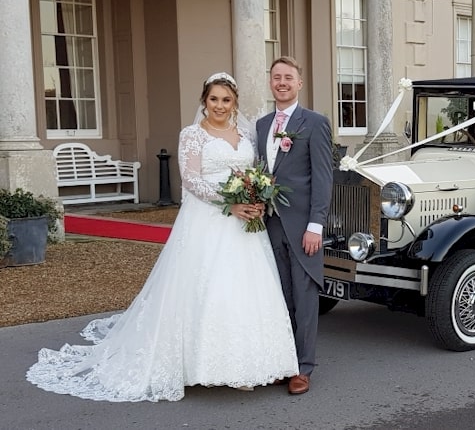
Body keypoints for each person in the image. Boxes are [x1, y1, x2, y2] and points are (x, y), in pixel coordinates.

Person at [26, 72, 298, 402]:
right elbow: (192, 181)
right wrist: (233, 203)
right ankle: (205, 365)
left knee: (246, 288)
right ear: (204, 101)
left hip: (245, 226)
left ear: (235, 102)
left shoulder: (246, 134)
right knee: (207, 287)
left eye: (226, 100)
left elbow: (255, 172)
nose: (220, 106)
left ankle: (252, 364)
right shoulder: (192, 135)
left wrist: (254, 199)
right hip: (208, 220)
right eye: (213, 99)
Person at [257, 56, 333, 395]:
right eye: (277, 77)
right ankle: (282, 362)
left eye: (288, 77)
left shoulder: (314, 123)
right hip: (269, 224)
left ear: (299, 83)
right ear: (271, 82)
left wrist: (316, 225)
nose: (282, 82)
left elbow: (323, 178)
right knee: (279, 296)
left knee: (304, 296)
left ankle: (303, 368)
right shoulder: (261, 125)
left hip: (303, 226)